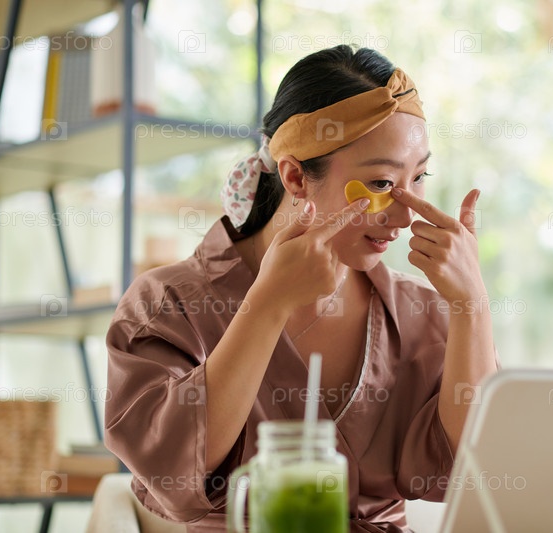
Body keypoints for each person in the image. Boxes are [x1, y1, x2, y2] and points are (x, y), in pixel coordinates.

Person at [105, 45, 497, 532]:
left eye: (419, 177)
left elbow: (479, 471)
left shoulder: (422, 312)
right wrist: (267, 305)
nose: (404, 214)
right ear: (294, 176)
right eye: (381, 183)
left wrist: (472, 306)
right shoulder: (167, 305)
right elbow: (175, 474)